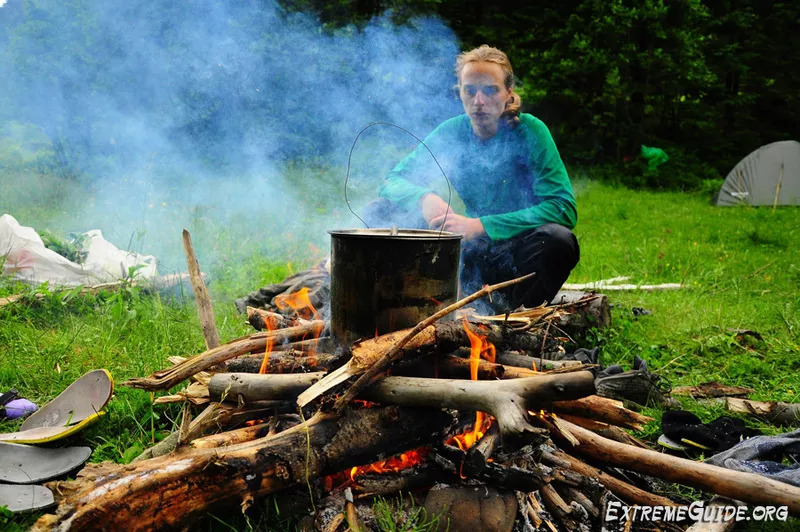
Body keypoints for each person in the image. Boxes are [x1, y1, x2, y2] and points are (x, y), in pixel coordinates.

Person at [370, 45, 579, 313]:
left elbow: (563, 208)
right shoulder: (452, 132)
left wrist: (480, 225)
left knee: (558, 240)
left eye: (490, 90)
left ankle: (513, 319)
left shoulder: (531, 132)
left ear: (508, 94)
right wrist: (424, 198)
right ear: (460, 93)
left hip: (518, 256)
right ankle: (406, 306)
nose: (479, 100)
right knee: (381, 211)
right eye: (470, 90)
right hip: (469, 256)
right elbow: (392, 181)